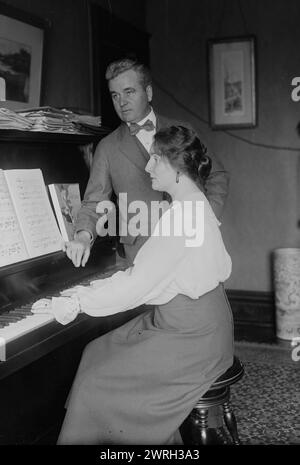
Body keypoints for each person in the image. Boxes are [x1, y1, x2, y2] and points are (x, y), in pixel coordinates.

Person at [32, 125, 234, 445]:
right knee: (96, 350)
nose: (148, 166)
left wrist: (76, 300)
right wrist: (82, 295)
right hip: (200, 324)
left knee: (95, 384)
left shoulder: (184, 217)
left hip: (193, 339)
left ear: (178, 167)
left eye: (155, 159)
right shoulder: (192, 204)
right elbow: (146, 277)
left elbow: (136, 285)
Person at [64, 57, 230, 268]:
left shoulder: (182, 130)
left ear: (148, 93)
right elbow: (95, 202)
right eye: (115, 95)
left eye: (129, 92)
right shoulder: (107, 147)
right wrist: (82, 237)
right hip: (139, 256)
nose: (121, 102)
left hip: (190, 248)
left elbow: (217, 176)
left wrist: (205, 219)